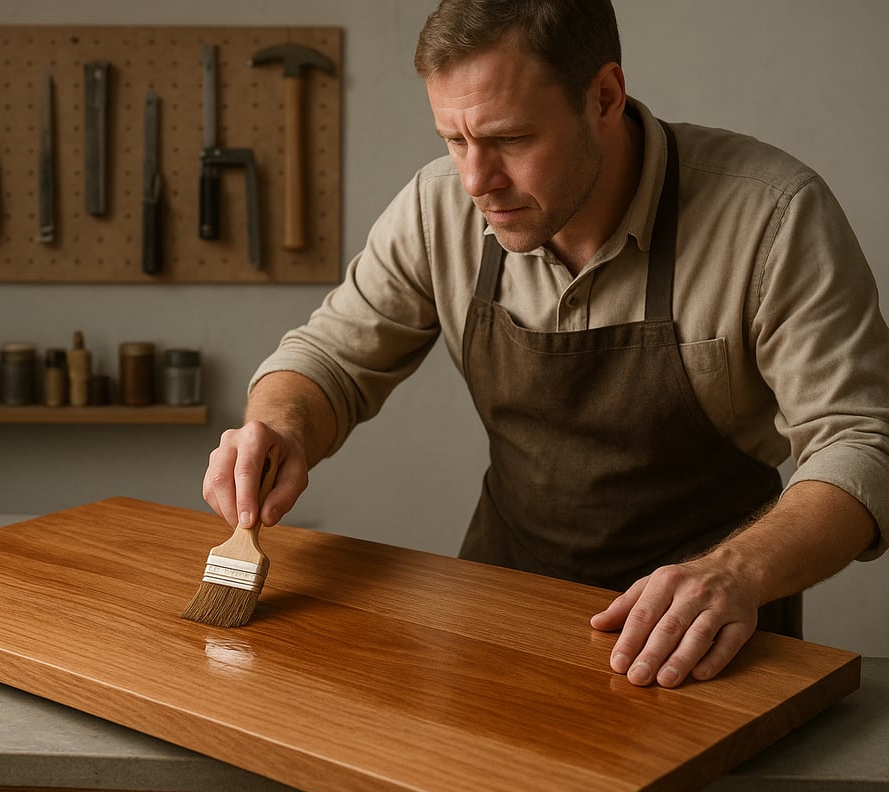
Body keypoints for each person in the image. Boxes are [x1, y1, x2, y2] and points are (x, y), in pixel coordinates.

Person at [203, 0, 889, 688]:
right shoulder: (437, 207)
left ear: (604, 97)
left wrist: (735, 572)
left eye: (511, 138)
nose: (477, 181)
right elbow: (329, 358)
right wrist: (280, 427)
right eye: (455, 140)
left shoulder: (772, 216)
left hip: (703, 638)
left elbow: (862, 441)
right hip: (506, 610)